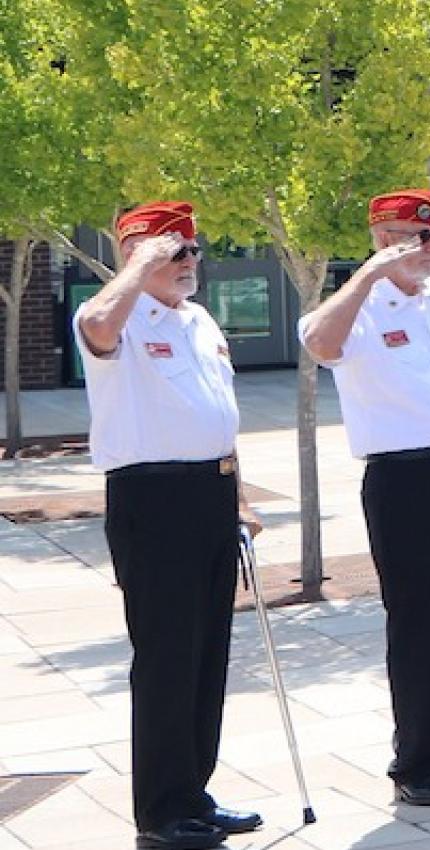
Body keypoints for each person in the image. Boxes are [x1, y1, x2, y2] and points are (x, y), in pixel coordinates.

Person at [296, 190, 430, 808]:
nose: (427, 248)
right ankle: (419, 759)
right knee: (422, 624)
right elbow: (319, 344)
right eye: (411, 238)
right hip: (407, 482)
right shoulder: (357, 304)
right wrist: (368, 273)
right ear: (381, 239)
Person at [78, 202, 263, 850]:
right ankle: (160, 811)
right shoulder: (117, 317)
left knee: (208, 657)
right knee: (166, 660)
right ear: (137, 256)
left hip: (210, 494)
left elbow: (220, 416)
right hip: (152, 503)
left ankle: (194, 794)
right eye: (172, 252)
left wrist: (237, 498)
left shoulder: (199, 318)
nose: (188, 262)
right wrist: (139, 267)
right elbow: (98, 323)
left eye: (191, 250)